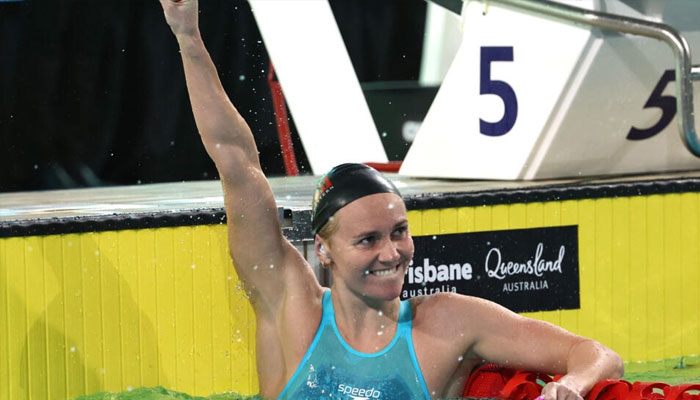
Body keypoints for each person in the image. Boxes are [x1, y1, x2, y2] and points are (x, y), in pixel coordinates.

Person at [158, 1, 624, 399]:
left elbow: (598, 355)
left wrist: (575, 384)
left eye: (399, 232)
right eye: (367, 240)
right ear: (323, 249)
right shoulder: (289, 304)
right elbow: (236, 160)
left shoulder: (447, 323)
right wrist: (188, 36)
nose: (391, 253)